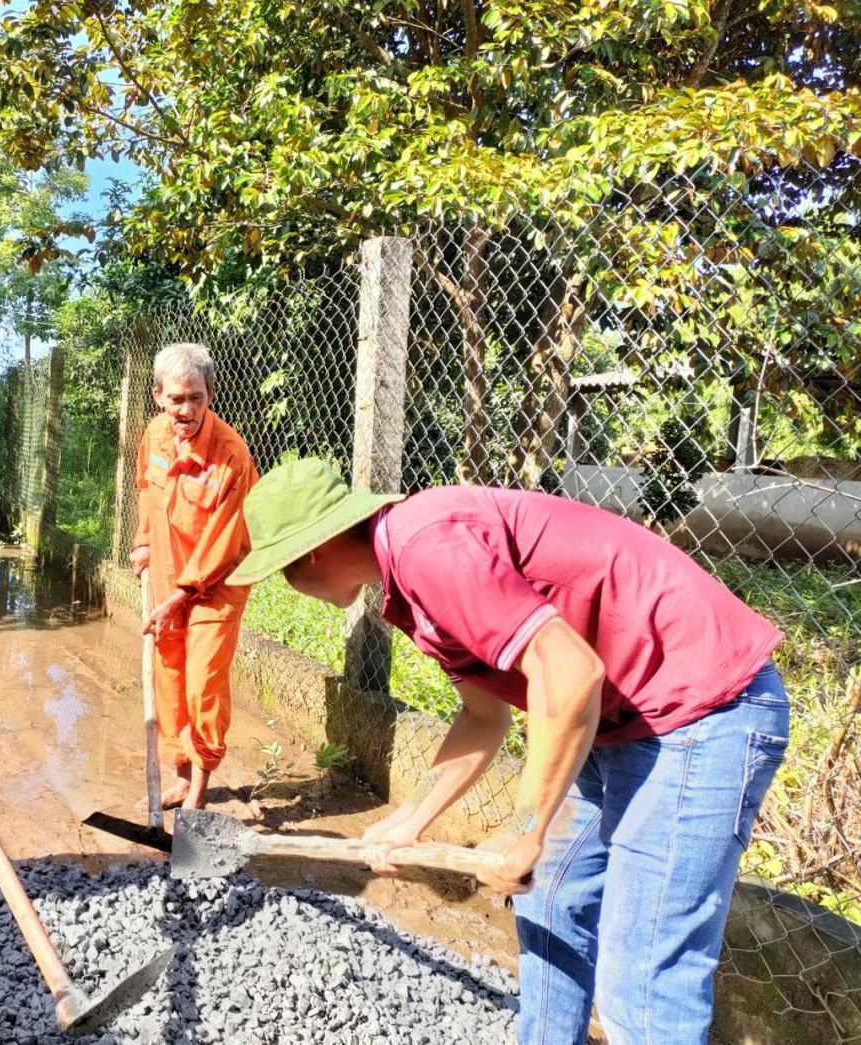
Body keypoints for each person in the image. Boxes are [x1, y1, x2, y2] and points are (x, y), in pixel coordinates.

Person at [228, 457, 788, 1044]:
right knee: (548, 898)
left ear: (312, 553)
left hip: (701, 709)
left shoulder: (426, 548)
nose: (286, 584)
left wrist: (526, 827)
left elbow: (571, 673)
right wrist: (410, 820)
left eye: (281, 569)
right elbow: (482, 717)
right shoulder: (407, 587)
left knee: (641, 981)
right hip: (622, 723)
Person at [129, 343, 257, 810]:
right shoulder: (154, 435)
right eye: (177, 399)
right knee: (170, 675)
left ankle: (197, 797)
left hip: (217, 585)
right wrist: (144, 542)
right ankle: (181, 777)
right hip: (166, 573)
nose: (186, 410)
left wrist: (180, 596)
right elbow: (146, 490)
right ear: (158, 395)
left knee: (203, 685)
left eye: (196, 398)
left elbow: (227, 542)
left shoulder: (231, 457)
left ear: (211, 395)